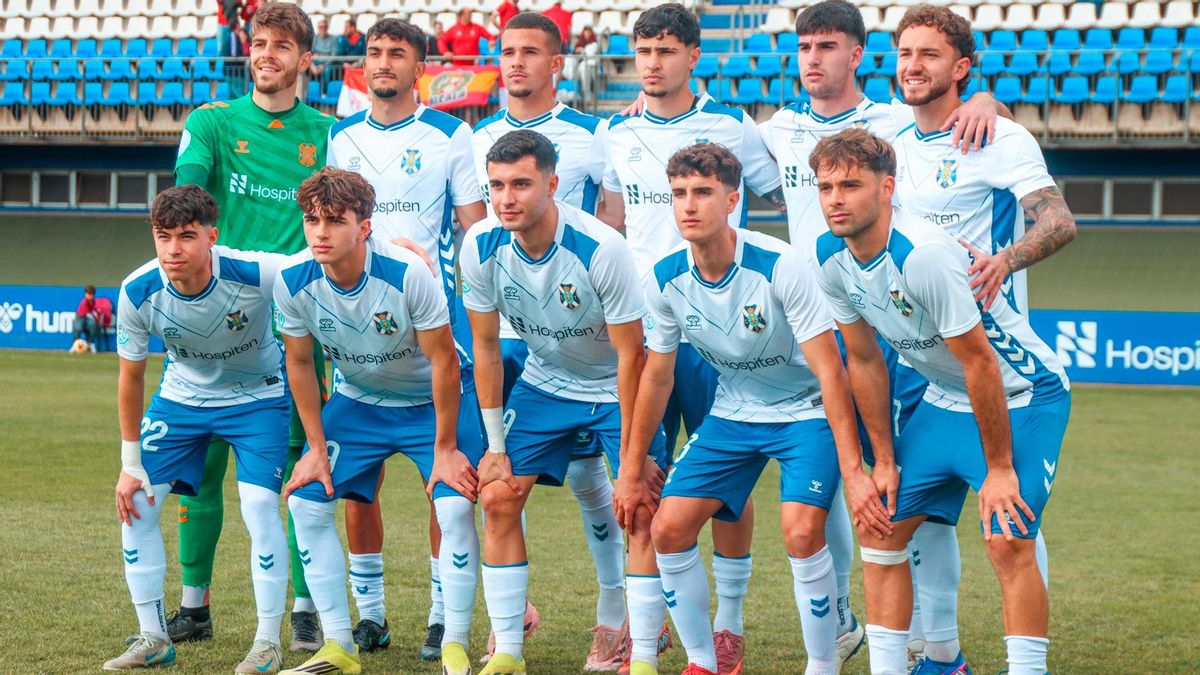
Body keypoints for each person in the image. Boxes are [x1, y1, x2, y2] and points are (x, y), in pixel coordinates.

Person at [754, 1, 1008, 667]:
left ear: (858, 55)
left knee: (910, 493)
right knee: (839, 482)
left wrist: (986, 98)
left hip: (893, 329)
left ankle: (933, 635)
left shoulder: (895, 117)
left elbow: (976, 124)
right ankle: (842, 619)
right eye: (804, 46)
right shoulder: (776, 129)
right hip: (814, 331)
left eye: (828, 45)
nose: (813, 58)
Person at [809, 128, 1071, 675]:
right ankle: (914, 666)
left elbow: (981, 364)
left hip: (1024, 394)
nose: (835, 198)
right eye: (826, 185)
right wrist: (882, 459)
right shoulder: (828, 254)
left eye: (851, 185)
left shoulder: (923, 255)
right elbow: (863, 360)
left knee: (1007, 539)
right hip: (941, 399)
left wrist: (999, 469)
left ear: (888, 188)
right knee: (880, 527)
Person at [627, 142, 868, 675]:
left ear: (732, 200)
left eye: (703, 193)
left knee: (802, 532)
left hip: (805, 411)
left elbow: (832, 371)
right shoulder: (665, 278)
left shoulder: (781, 266)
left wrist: (853, 470)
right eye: (679, 194)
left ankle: (823, 665)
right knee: (667, 529)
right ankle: (703, 663)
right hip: (734, 414)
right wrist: (630, 464)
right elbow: (658, 374)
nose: (689, 205)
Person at [598, 5, 787, 672]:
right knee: (640, 478)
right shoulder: (613, 132)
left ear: (693, 56)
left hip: (716, 331)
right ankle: (644, 639)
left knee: (728, 487)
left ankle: (727, 627)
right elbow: (611, 218)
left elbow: (786, 191)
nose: (652, 62)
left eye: (666, 50)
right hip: (647, 337)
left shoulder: (731, 125)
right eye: (643, 49)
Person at [889, 7, 1077, 671]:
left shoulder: (999, 137)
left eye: (930, 55)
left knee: (1010, 530)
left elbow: (1057, 221)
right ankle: (939, 651)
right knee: (919, 523)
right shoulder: (888, 137)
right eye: (906, 52)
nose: (914, 65)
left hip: (994, 358)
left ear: (961, 67)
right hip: (918, 360)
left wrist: (1005, 260)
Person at [460, 129, 669, 675]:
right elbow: (484, 346)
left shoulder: (602, 249)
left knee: (641, 505)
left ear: (552, 185)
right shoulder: (480, 244)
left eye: (522, 184)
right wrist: (495, 445)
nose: (507, 198)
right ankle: (507, 650)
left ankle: (641, 652)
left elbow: (633, 358)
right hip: (545, 383)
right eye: (498, 185)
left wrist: (630, 458)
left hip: (613, 387)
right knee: (498, 496)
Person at [471, 13, 644, 671]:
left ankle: (621, 620)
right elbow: (473, 227)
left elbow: (616, 212)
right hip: (529, 346)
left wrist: (582, 284)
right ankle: (507, 635)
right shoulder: (478, 137)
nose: (515, 63)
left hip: (604, 329)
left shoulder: (598, 133)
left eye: (529, 52)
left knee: (625, 488)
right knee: (505, 484)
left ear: (558, 60)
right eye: (506, 51)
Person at [273, 168, 484, 675]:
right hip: (360, 400)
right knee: (306, 501)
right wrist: (315, 448)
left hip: (433, 400)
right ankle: (343, 642)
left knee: (452, 505)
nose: (319, 233)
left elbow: (444, 363)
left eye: (333, 221)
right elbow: (301, 365)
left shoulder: (408, 273)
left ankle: (448, 633)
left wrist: (446, 447)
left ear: (364, 227)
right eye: (311, 221)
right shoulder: (293, 280)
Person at [173, 0, 335, 654]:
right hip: (217, 316)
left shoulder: (328, 134)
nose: (265, 54)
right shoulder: (212, 122)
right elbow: (186, 200)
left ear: (305, 61)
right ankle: (193, 605)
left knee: (298, 461)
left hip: (298, 320)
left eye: (280, 45)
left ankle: (303, 607)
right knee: (199, 462)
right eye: (258, 42)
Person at [324, 17, 488, 660]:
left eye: (397, 54)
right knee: (357, 488)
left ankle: (443, 616)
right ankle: (371, 616)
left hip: (427, 320)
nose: (383, 63)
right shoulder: (340, 135)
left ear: (421, 67)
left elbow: (474, 228)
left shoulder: (452, 135)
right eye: (374, 53)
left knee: (442, 484)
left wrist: (442, 269)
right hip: (359, 326)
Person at [106, 185, 291, 673]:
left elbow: (320, 268)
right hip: (183, 399)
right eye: (162, 236)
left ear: (212, 235)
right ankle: (153, 636)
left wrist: (389, 247)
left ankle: (267, 642)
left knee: (258, 507)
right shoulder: (138, 290)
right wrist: (129, 465)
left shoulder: (255, 272)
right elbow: (131, 377)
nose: (172, 250)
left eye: (187, 237)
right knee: (138, 502)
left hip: (258, 397)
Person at [74, 284, 113, 351]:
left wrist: (97, 319)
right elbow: (88, 314)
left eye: (91, 294)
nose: (89, 296)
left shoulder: (93, 301)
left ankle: (90, 344)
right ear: (85, 294)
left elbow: (93, 312)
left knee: (94, 325)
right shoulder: (84, 302)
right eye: (88, 294)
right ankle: (75, 345)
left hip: (88, 320)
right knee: (78, 328)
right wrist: (95, 319)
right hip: (80, 318)